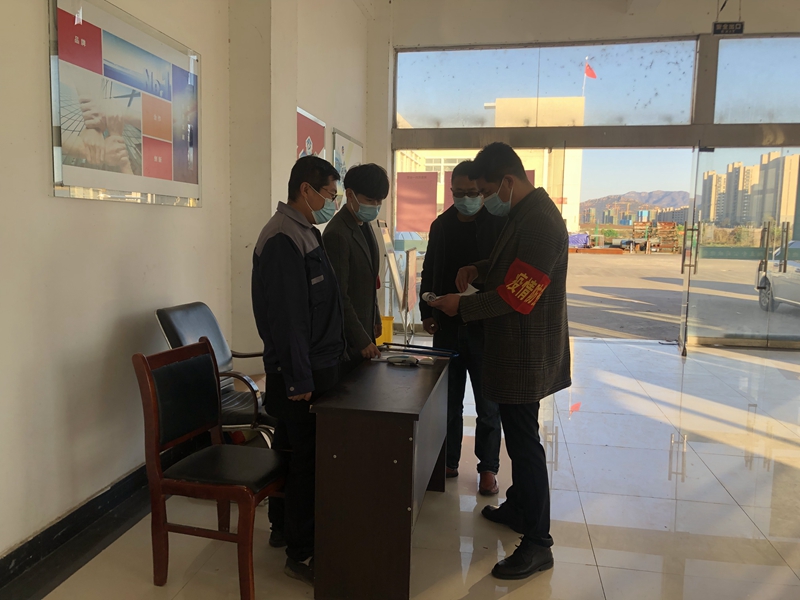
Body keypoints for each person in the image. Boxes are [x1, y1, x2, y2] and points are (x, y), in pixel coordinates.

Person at [428, 142, 571, 581]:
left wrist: (463, 306)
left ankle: (538, 542)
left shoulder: (541, 221)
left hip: (526, 351)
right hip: (513, 348)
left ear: (507, 181)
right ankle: (519, 507)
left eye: (488, 191)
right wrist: (478, 267)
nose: (486, 199)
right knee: (516, 433)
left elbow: (519, 294)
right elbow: (509, 262)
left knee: (524, 444)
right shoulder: (525, 213)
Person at [251, 155, 347, 586]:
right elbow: (288, 318)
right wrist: (299, 379)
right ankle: (301, 551)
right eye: (329, 194)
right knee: (306, 462)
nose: (332, 202)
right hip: (299, 376)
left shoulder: (305, 231)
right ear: (305, 190)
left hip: (312, 368)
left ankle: (282, 529)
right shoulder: (282, 238)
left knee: (291, 453)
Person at [419, 160, 506, 496]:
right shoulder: (441, 225)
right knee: (447, 400)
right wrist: (426, 310)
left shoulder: (497, 224)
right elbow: (430, 268)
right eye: (458, 193)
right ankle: (448, 461)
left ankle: (488, 468)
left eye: (472, 192)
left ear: (482, 191)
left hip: (485, 329)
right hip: (447, 327)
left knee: (488, 404)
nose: (465, 199)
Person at [323, 163, 388, 373]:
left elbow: (369, 280)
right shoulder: (337, 234)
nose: (375, 206)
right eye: (370, 200)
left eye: (379, 201)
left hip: (365, 329)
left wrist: (375, 318)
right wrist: (361, 339)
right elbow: (339, 295)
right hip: (348, 341)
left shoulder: (363, 224)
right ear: (350, 194)